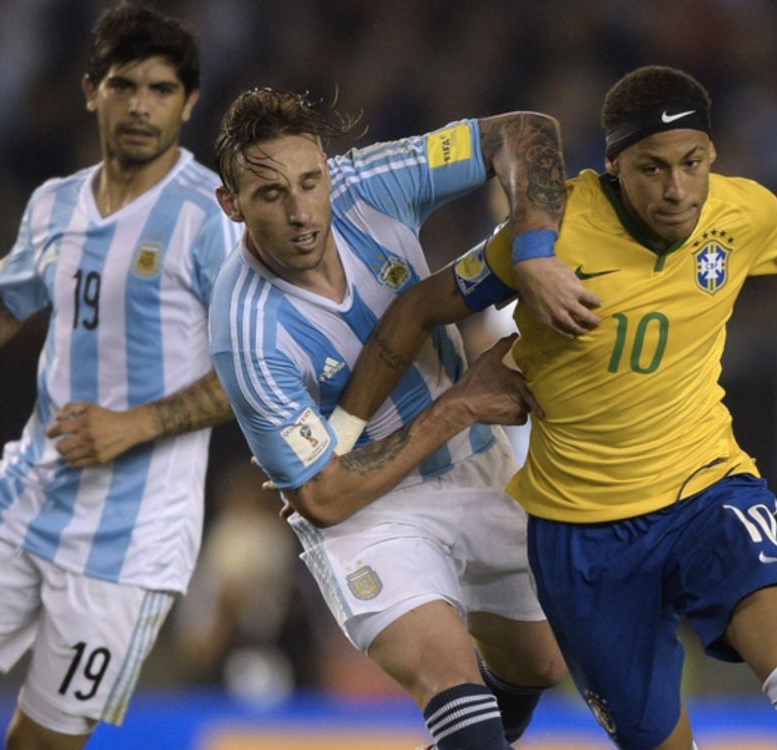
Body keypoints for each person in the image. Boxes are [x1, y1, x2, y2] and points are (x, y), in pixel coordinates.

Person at [336, 65, 777, 750]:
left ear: (712, 155)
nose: (678, 188)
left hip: (706, 490)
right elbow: (419, 305)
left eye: (692, 163)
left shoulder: (743, 211)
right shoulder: (548, 239)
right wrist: (346, 428)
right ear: (614, 165)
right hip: (582, 537)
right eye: (653, 168)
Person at [0, 5, 240, 749]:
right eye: (124, 85)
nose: (140, 105)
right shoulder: (56, 204)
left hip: (130, 543)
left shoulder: (210, 219)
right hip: (26, 496)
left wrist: (138, 423)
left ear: (190, 103)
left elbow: (255, 373)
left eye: (161, 90)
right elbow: (10, 297)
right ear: (90, 90)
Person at [208, 87, 574, 750]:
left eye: (310, 182)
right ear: (230, 204)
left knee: (540, 665)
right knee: (460, 704)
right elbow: (322, 495)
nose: (300, 212)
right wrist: (459, 403)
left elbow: (525, 129)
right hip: (369, 517)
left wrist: (536, 250)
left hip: (476, 466)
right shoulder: (246, 329)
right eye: (270, 196)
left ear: (327, 166)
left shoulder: (369, 182)